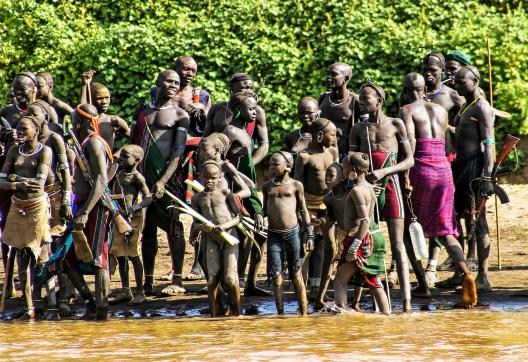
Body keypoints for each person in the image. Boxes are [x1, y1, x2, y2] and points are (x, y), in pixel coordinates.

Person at [399, 73, 477, 307]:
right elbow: (449, 142)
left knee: (407, 229)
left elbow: (411, 142)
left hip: (421, 169)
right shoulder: (441, 110)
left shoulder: (407, 110)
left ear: (405, 90)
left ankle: (422, 285)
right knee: (446, 230)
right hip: (443, 171)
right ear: (424, 88)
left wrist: (404, 174)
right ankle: (466, 274)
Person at [349, 80, 414, 312]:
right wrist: (365, 182)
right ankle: (376, 303)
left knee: (398, 244)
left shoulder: (396, 124)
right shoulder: (358, 129)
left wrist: (385, 171)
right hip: (369, 189)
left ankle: (407, 302)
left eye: (366, 98)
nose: (362, 101)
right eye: (360, 98)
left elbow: (410, 159)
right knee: (368, 240)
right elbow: (351, 161)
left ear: (380, 100)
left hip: (392, 184)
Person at [130, 70, 189, 295]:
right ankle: (148, 280)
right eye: (169, 81)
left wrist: (163, 180)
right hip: (143, 178)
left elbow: (178, 152)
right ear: (158, 82)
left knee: (174, 227)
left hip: (169, 178)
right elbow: (132, 146)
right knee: (148, 229)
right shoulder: (142, 113)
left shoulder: (180, 115)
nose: (174, 85)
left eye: (177, 82)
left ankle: (177, 279)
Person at [62, 104, 113, 320]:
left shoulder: (94, 142)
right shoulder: (84, 143)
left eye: (75, 119)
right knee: (67, 260)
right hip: (82, 205)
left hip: (96, 207)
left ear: (81, 122)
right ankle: (91, 303)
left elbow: (101, 179)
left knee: (99, 259)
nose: (72, 122)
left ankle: (102, 311)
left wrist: (85, 212)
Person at [0, 115, 53, 319]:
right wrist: (17, 183)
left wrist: (14, 177)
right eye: (18, 129)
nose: (19, 132)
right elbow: (1, 180)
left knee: (40, 257)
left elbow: (39, 183)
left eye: (24, 129)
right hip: (17, 205)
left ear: (36, 131)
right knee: (21, 258)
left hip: (37, 206)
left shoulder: (44, 151)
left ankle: (50, 302)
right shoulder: (14, 151)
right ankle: (29, 306)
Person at [450, 65, 495, 292]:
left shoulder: (482, 107)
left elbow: (489, 144)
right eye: (455, 81)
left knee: (478, 220)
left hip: (474, 167)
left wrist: (487, 176)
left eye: (462, 81)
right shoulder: (466, 105)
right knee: (455, 217)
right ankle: (461, 273)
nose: (457, 85)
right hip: (460, 166)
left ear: (475, 81)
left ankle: (483, 277)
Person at [333, 152, 390, 314]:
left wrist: (353, 247)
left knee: (340, 281)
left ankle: (341, 315)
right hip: (373, 234)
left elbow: (364, 220)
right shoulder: (369, 187)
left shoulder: (357, 191)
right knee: (373, 280)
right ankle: (387, 315)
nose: (342, 170)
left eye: (344, 167)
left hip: (362, 238)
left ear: (352, 169)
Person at [222, 93, 267, 296]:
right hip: (236, 190)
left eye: (255, 108)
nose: (254, 112)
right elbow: (220, 162)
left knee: (258, 234)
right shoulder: (230, 131)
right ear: (238, 110)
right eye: (250, 109)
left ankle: (248, 282)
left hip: (249, 187)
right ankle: (234, 281)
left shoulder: (245, 133)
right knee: (239, 234)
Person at [261, 151, 313, 315]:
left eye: (275, 164)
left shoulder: (296, 185)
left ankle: (304, 313)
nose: (271, 167)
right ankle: (281, 314)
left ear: (288, 167)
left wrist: (310, 233)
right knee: (276, 278)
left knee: (296, 275)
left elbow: (303, 210)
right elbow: (264, 209)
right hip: (273, 235)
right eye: (270, 164)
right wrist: (259, 216)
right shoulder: (267, 186)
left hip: (293, 234)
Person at [196, 132, 252, 283]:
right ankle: (216, 290)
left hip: (227, 219)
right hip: (208, 221)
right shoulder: (204, 169)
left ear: (217, 150)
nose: (200, 153)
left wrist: (232, 198)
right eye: (199, 149)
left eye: (204, 149)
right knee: (203, 259)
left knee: (229, 259)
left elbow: (248, 188)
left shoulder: (225, 166)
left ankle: (231, 284)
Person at [190, 160, 242, 317]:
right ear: (200, 177)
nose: (209, 181)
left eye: (213, 178)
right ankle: (213, 315)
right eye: (205, 178)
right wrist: (198, 230)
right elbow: (196, 222)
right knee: (212, 278)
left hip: (229, 237)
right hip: (211, 238)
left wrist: (226, 226)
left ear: (220, 177)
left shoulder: (225, 193)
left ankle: (239, 313)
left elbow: (239, 217)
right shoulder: (197, 198)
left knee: (230, 278)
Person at [294, 117, 337, 297]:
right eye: (332, 134)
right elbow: (297, 185)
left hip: (327, 204)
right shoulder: (304, 156)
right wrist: (301, 209)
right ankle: (302, 287)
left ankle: (318, 288)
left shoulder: (332, 152)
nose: (334, 138)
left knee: (324, 246)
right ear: (320, 135)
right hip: (308, 205)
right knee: (306, 247)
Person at [314, 162, 362, 311]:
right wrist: (320, 221)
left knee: (360, 267)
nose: (327, 178)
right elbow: (330, 218)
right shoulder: (328, 198)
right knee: (330, 259)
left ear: (342, 179)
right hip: (342, 234)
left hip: (357, 232)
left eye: (331, 176)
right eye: (326, 175)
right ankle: (320, 298)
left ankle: (356, 302)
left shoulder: (353, 193)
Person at [109, 144, 152, 305]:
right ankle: (126, 290)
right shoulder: (118, 173)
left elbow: (149, 197)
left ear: (137, 160)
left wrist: (135, 208)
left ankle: (140, 292)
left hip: (132, 219)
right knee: (120, 255)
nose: (121, 158)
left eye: (125, 156)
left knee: (132, 254)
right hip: (119, 218)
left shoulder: (137, 177)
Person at [205, 72, 269, 167]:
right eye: (245, 87)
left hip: (242, 162)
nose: (249, 91)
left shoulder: (257, 111)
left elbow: (264, 145)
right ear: (232, 89)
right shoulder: (217, 109)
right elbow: (206, 138)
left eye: (251, 88)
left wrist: (249, 165)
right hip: (216, 163)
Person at [80, 70, 130, 150]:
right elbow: (82, 107)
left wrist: (117, 156)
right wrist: (84, 85)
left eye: (107, 98)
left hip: (107, 161)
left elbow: (134, 139)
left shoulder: (113, 120)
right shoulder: (85, 120)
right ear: (91, 99)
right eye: (100, 98)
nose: (104, 102)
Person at [319, 62, 359, 158]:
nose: (328, 77)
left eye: (333, 74)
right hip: (321, 153)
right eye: (328, 73)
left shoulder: (355, 100)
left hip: (343, 155)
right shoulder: (323, 97)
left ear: (346, 79)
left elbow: (364, 130)